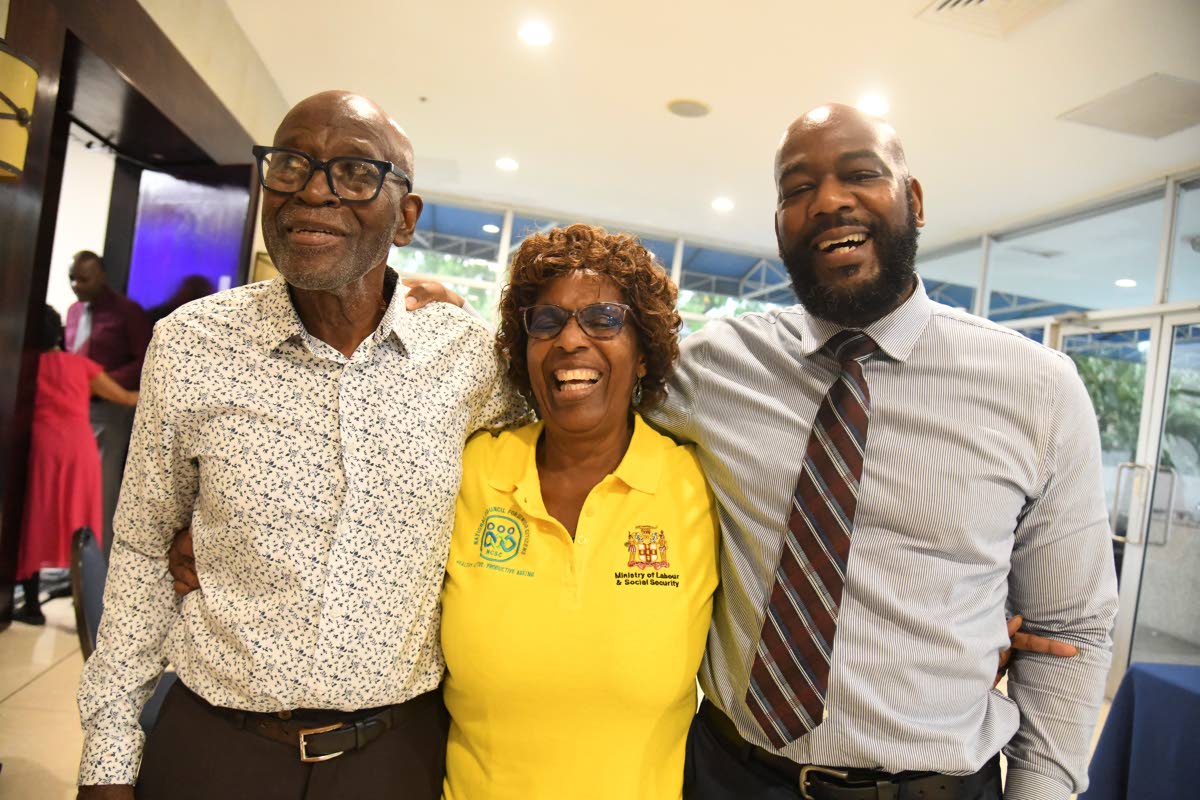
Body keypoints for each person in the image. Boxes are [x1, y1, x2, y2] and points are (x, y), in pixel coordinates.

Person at [648, 104, 1118, 800]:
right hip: (731, 775)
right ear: (779, 224)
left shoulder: (1039, 391)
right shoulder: (709, 369)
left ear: (914, 201)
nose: (829, 201)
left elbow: (1070, 630)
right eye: (796, 189)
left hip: (936, 787)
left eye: (860, 174)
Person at [75, 90, 522, 800]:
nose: (313, 191)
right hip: (214, 748)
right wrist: (108, 758)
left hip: (395, 758)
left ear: (405, 217)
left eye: (354, 172)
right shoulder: (192, 345)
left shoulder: (467, 360)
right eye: (290, 164)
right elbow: (139, 546)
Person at [440, 224, 718, 798]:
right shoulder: (471, 472)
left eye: (603, 319)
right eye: (547, 322)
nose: (571, 340)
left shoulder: (698, 486)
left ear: (643, 355)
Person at [14, 305, 137, 625]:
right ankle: (88, 609)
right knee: (80, 518)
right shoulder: (81, 366)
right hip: (79, 449)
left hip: (43, 448)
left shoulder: (26, 367)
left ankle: (30, 604)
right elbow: (124, 397)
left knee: (35, 517)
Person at [64, 250, 152, 556]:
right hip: (72, 411)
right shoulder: (74, 311)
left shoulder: (127, 311)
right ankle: (72, 565)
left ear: (101, 276)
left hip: (110, 409)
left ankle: (101, 566)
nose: (76, 284)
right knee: (71, 492)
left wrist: (102, 380)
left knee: (101, 492)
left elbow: (145, 361)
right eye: (72, 278)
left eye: (83, 278)